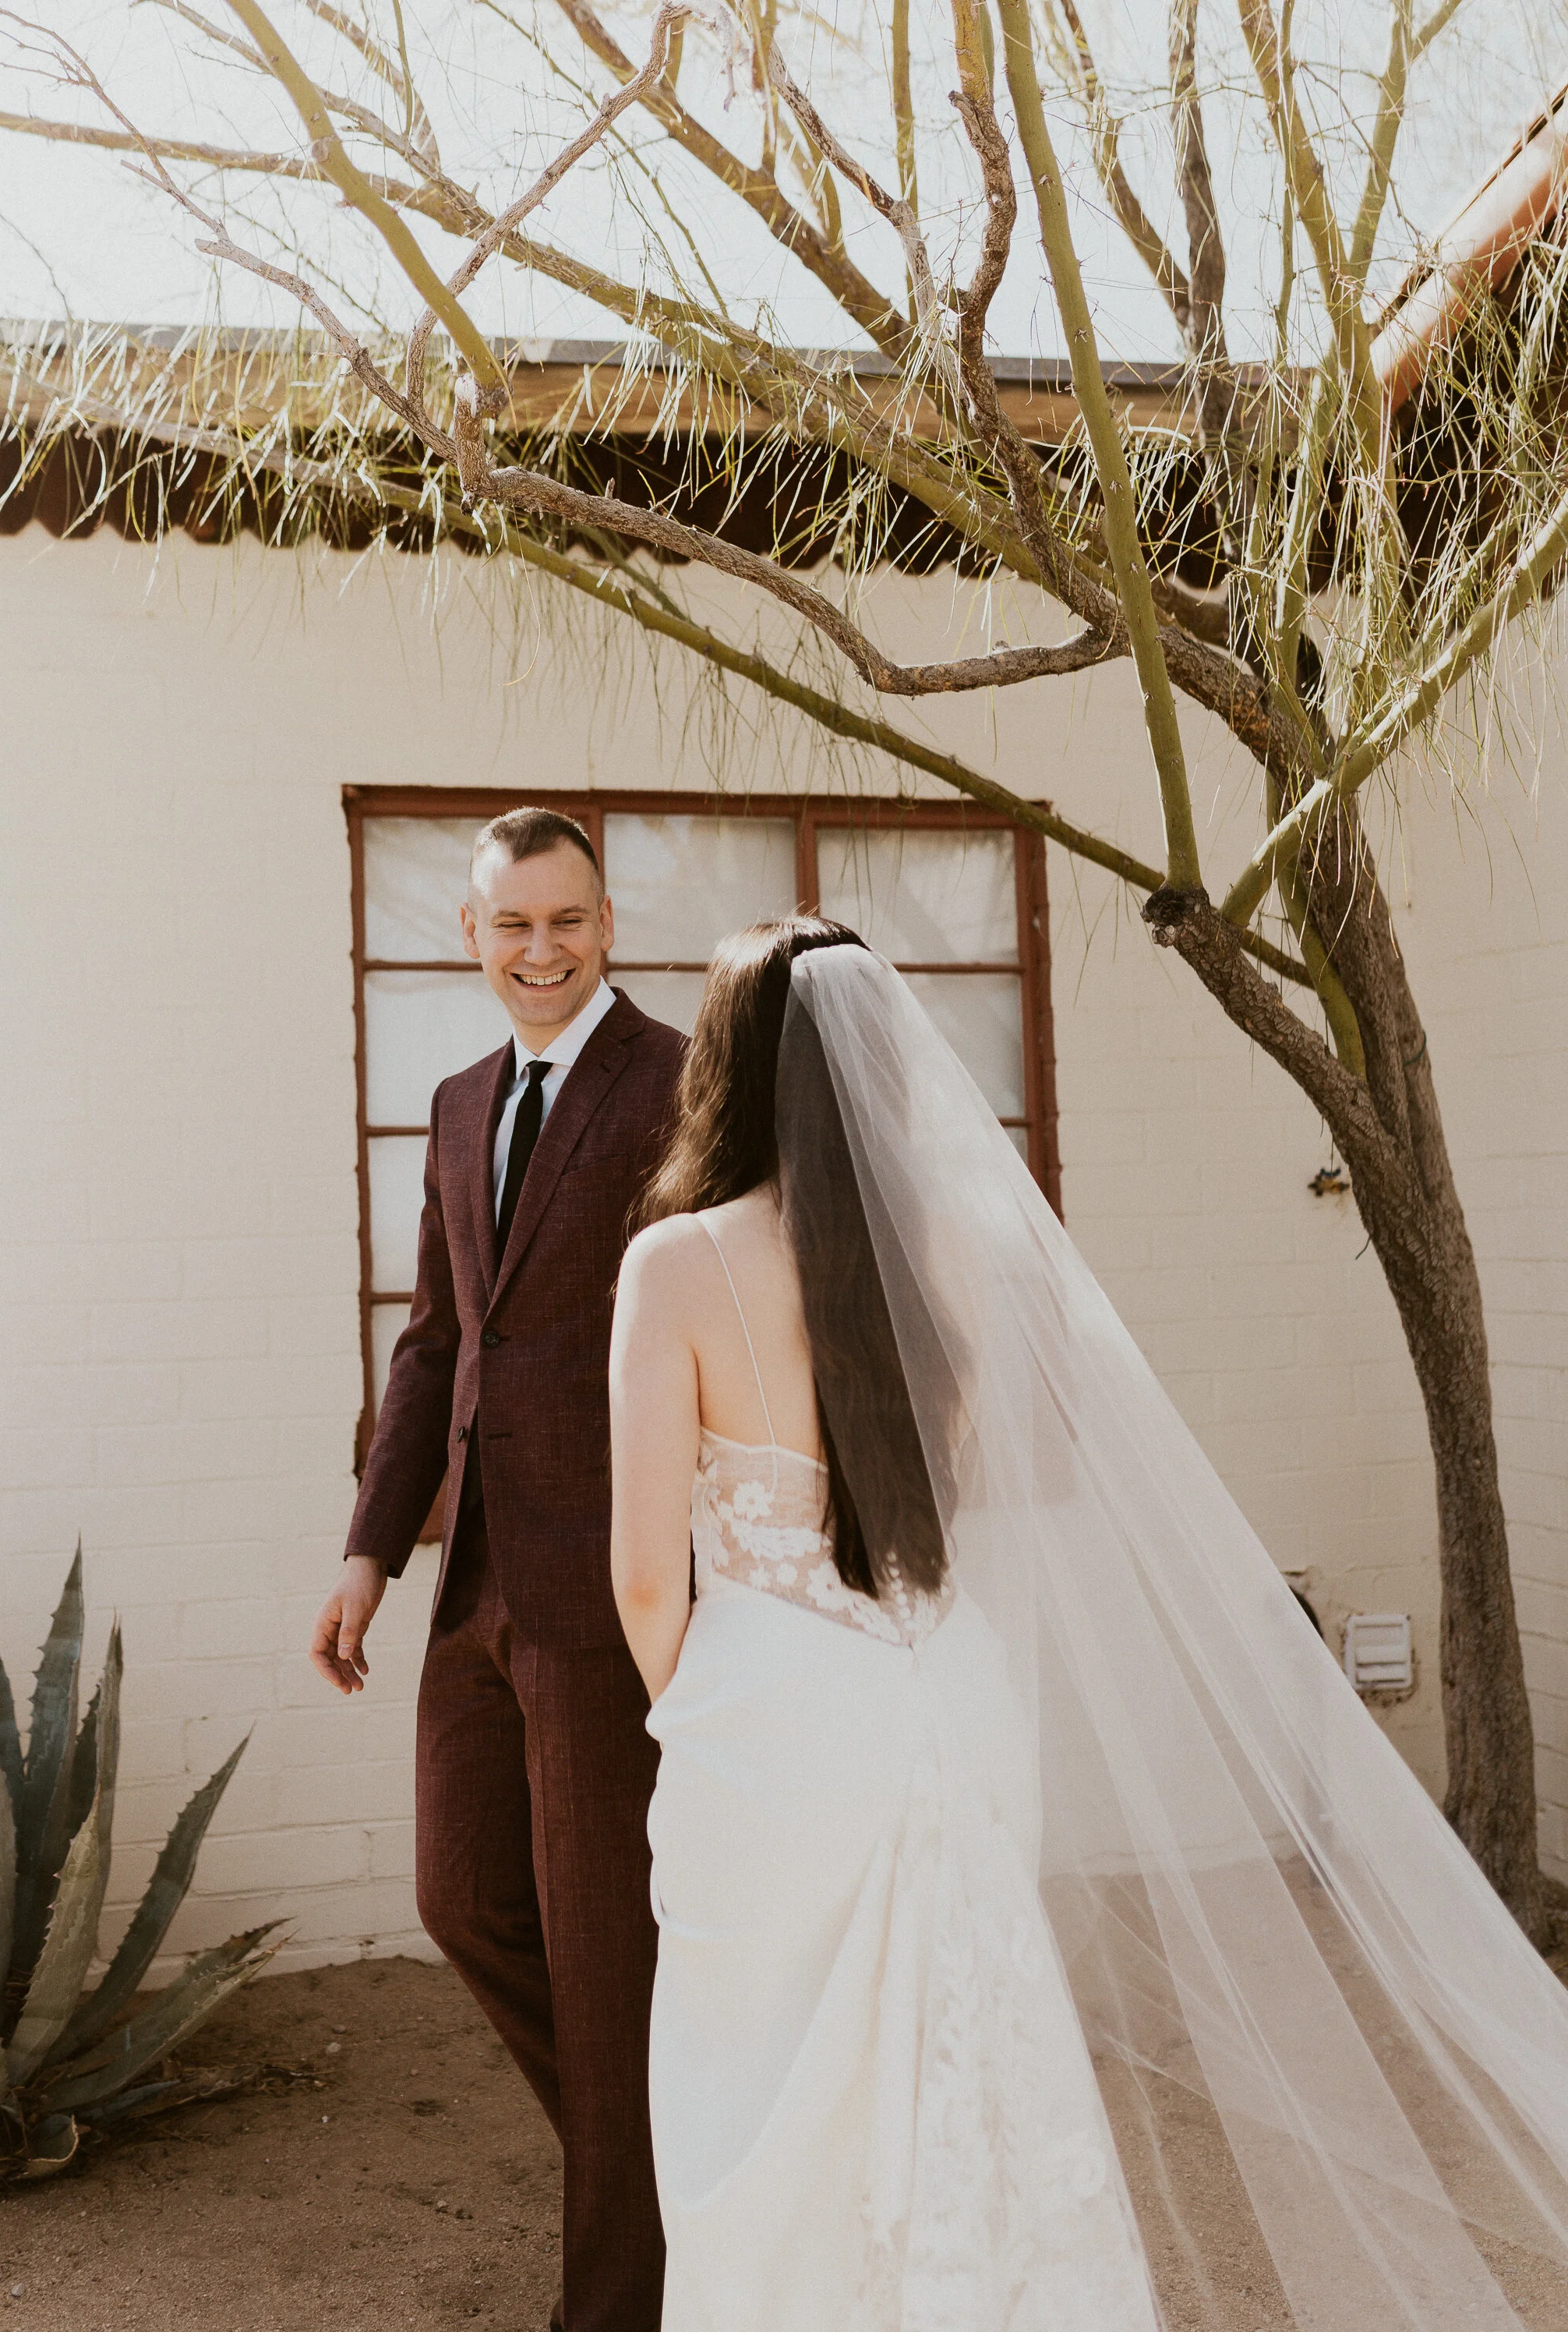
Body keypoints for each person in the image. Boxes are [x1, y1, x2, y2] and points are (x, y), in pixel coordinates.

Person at [609, 917, 1568, 2331]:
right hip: (954, 1693)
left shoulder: (676, 1266)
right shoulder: (950, 1255)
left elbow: (643, 1578)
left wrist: (708, 1712)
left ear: (725, 1067)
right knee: (978, 2061)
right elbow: (962, 1499)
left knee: (774, 2099)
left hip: (782, 1725)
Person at [313, 807, 684, 2332]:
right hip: (470, 1583)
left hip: (613, 1583)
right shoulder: (460, 1101)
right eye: (513, 924)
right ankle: (666, 2160)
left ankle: (623, 2295)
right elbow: (433, 1341)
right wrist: (366, 1551)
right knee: (464, 1896)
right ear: (470, 933)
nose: (543, 950)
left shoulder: (676, 1083)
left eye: (569, 921)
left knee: (608, 1962)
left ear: (609, 923)